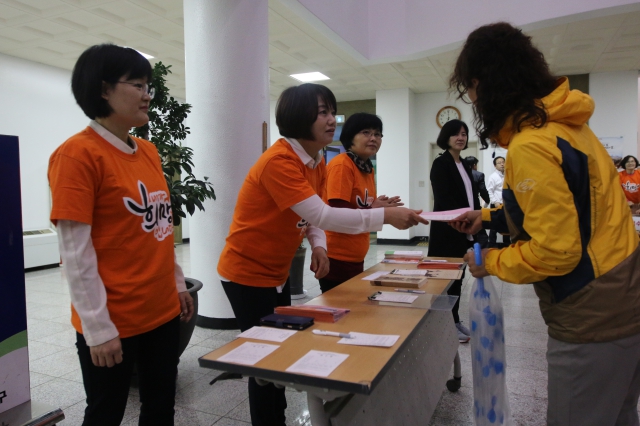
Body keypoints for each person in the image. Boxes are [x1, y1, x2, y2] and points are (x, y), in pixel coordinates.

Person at [449, 22, 640, 426]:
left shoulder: (531, 145)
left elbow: (556, 250)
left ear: (483, 82)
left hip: (591, 314)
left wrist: (491, 262)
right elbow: (576, 211)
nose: (473, 100)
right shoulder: (569, 128)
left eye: (470, 89)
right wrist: (486, 216)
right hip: (626, 297)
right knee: (619, 413)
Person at [217, 83, 428, 426]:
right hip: (246, 273)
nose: (333, 120)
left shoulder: (315, 162)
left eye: (333, 112)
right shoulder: (279, 161)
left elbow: (311, 216)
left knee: (277, 352)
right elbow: (325, 215)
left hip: (275, 273)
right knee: (265, 363)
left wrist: (318, 245)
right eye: (323, 113)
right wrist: (385, 217)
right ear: (298, 117)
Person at [48, 44, 194, 426]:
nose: (148, 95)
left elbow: (160, 229)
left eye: (149, 86)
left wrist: (177, 283)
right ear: (104, 89)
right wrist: (97, 329)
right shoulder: (77, 155)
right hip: (114, 320)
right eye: (138, 85)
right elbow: (75, 253)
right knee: (105, 414)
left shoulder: (147, 151)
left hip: (161, 311)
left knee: (161, 407)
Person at [319, 112, 403, 293]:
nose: (373, 138)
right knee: (340, 305)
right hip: (337, 255)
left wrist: (376, 204)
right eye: (366, 132)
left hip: (356, 253)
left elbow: (361, 206)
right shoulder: (342, 164)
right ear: (351, 136)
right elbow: (337, 210)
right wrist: (376, 210)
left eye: (377, 134)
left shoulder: (366, 168)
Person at [428, 119, 479, 344]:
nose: (461, 138)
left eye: (464, 134)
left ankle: (454, 319)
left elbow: (471, 197)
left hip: (465, 229)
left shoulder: (465, 164)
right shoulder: (441, 164)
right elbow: (443, 199)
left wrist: (476, 218)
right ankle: (444, 323)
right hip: (448, 229)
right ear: (446, 138)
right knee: (445, 278)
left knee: (459, 277)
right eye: (456, 134)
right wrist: (463, 219)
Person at [464, 156, 490, 248]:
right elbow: (483, 190)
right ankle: (482, 251)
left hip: (462, 206)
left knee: (464, 228)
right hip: (474, 205)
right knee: (480, 230)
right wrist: (487, 200)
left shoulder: (461, 174)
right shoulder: (479, 175)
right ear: (474, 165)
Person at [486, 156, 511, 247]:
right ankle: (492, 245)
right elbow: (489, 191)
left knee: (507, 225)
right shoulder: (493, 177)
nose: (502, 164)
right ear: (495, 165)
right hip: (496, 204)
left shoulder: (508, 176)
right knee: (494, 226)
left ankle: (507, 245)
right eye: (499, 163)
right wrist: (495, 202)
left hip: (506, 204)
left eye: (503, 162)